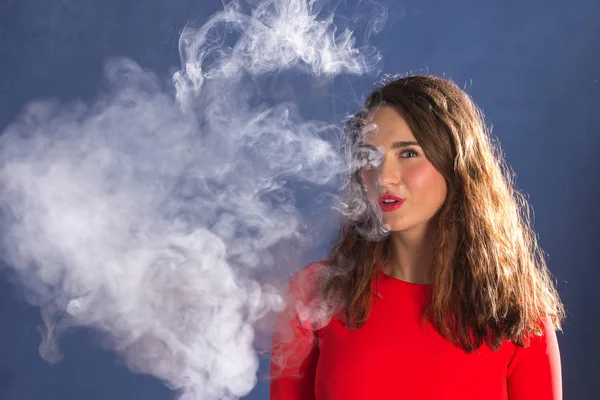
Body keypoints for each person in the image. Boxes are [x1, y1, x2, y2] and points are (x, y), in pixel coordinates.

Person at [269, 74, 565, 399]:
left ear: (455, 163)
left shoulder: (514, 315)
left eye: (408, 153)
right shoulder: (314, 296)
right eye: (370, 157)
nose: (384, 177)